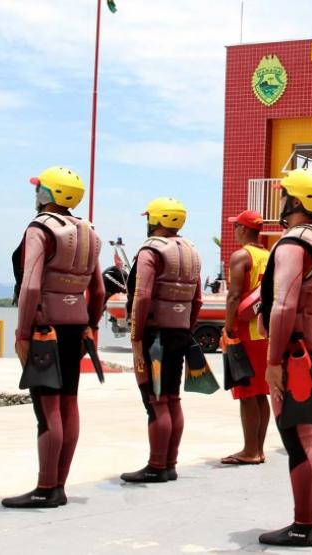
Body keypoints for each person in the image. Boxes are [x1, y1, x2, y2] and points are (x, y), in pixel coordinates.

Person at [3, 166, 105, 509]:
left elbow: (31, 285)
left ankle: (45, 488)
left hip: (44, 329)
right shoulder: (89, 231)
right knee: (68, 403)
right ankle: (59, 485)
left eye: (39, 189)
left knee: (47, 409)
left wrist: (22, 333)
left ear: (47, 194)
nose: (36, 194)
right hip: (75, 327)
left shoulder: (40, 229)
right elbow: (98, 290)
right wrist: (90, 325)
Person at [257, 169, 312, 547]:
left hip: (297, 354)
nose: (281, 202)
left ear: (296, 201)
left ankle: (303, 525)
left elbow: (283, 306)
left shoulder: (294, 243)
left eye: (285, 196)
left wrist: (273, 361)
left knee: (298, 442)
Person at [122, 197, 203, 484]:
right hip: (179, 333)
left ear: (155, 220)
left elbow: (142, 295)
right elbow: (197, 299)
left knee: (156, 400)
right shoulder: (191, 252)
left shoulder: (151, 251)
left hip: (154, 337)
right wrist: (186, 327)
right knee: (172, 397)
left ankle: (156, 466)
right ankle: (169, 464)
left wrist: (136, 337)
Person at [221, 210, 270, 465]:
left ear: (243, 229)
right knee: (261, 393)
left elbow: (233, 296)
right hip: (264, 332)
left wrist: (228, 327)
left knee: (247, 393)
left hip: (245, 334)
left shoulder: (241, 256)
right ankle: (258, 449)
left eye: (235, 226)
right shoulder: (270, 256)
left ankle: (250, 451)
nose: (234, 231)